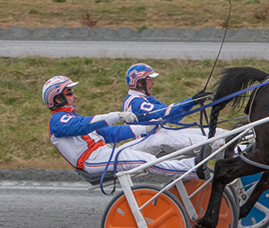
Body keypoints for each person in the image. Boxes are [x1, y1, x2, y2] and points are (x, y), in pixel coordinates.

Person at [44, 75, 205, 179]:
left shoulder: (73, 117)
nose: (75, 95)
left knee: (154, 141)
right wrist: (116, 116)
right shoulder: (57, 121)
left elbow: (109, 133)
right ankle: (192, 168)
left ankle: (193, 159)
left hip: (104, 152)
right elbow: (81, 127)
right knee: (145, 160)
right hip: (91, 160)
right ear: (57, 99)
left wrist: (144, 129)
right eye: (69, 92)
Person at [121, 63, 227, 159]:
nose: (153, 83)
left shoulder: (145, 97)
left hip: (163, 133)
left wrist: (192, 102)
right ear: (139, 83)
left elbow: (171, 116)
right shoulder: (136, 102)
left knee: (221, 133)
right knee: (216, 144)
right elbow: (164, 113)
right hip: (150, 141)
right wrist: (192, 101)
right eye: (149, 79)